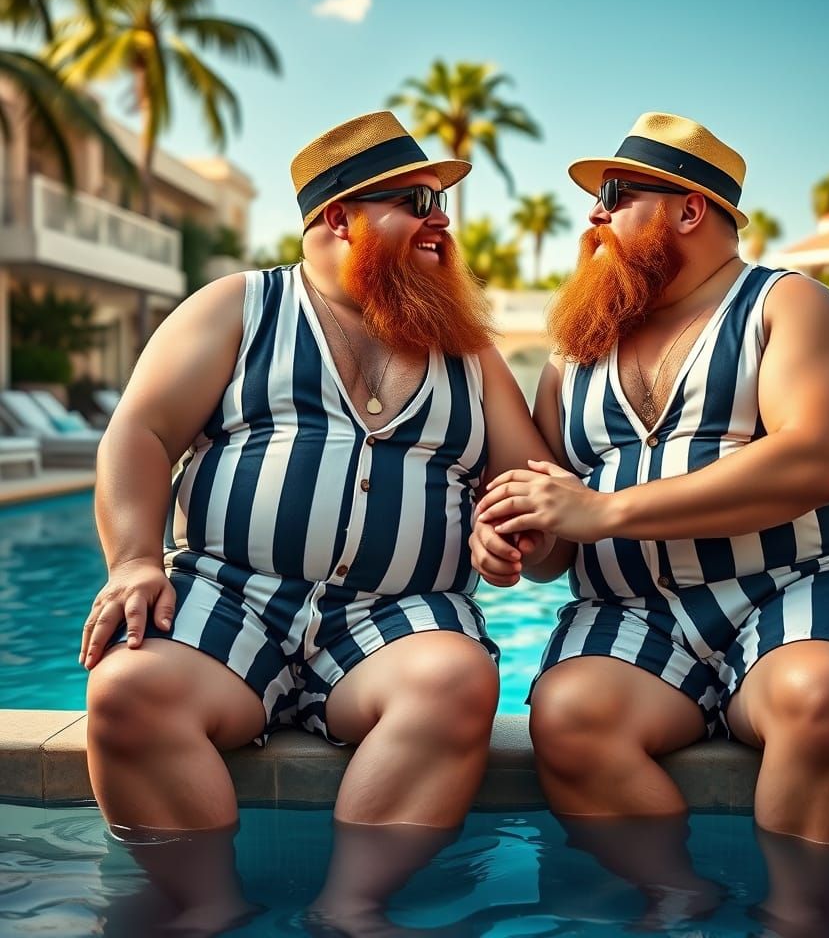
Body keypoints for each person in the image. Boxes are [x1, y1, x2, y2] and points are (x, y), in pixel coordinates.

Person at [80, 110, 553, 934]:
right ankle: (208, 907)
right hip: (230, 596)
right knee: (126, 688)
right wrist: (132, 561)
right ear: (339, 216)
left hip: (399, 618)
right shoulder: (238, 307)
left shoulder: (469, 353)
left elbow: (526, 485)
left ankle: (352, 907)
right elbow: (141, 433)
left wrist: (509, 533)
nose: (442, 219)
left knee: (454, 681)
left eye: (440, 199)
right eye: (416, 199)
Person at [471, 112, 829, 933]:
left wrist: (606, 510)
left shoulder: (791, 306)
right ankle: (677, 904)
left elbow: (817, 462)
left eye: (612, 195)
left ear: (688, 210)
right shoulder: (576, 350)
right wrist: (516, 541)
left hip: (794, 587)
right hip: (634, 616)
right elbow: (556, 540)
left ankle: (804, 917)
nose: (593, 217)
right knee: (568, 718)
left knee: (819, 699)